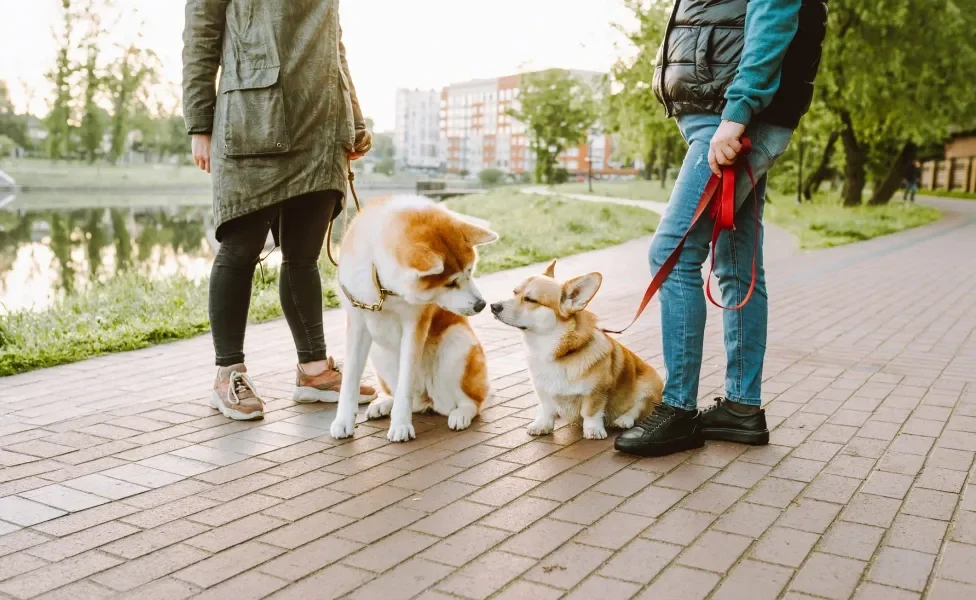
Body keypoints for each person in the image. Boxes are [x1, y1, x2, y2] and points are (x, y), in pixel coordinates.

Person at [615, 0, 827, 456]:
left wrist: (738, 111)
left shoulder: (737, 111)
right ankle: (741, 408)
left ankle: (678, 412)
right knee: (737, 265)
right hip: (725, 112)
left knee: (671, 254)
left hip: (732, 115)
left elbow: (775, 10)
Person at [183, 0, 376, 421]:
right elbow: (201, 34)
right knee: (239, 252)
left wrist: (355, 120)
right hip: (254, 119)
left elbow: (335, 47)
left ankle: (313, 371)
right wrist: (199, 122)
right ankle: (228, 373)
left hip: (322, 125)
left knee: (303, 259)